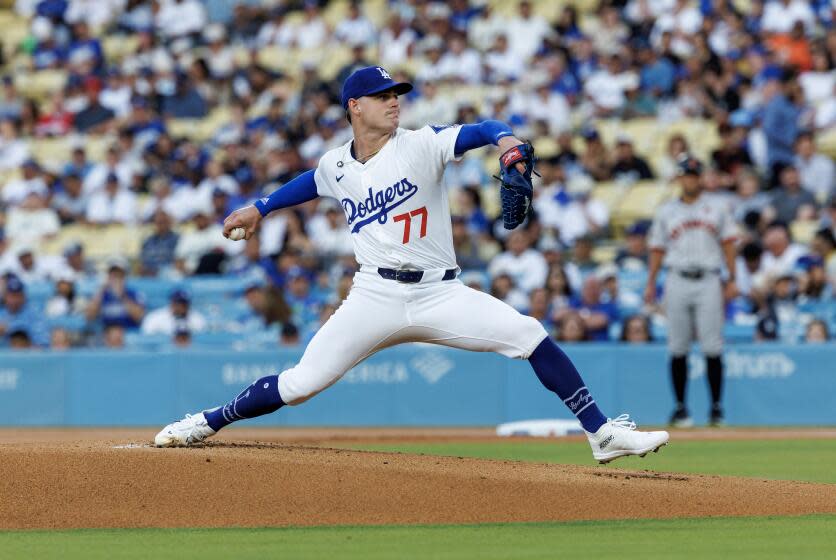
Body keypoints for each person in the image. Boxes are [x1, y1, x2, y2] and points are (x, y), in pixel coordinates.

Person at [155, 65, 668, 463]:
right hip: (374, 296)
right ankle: (207, 421)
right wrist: (261, 207)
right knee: (300, 385)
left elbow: (481, 129)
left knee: (529, 333)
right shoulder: (336, 163)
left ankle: (601, 433)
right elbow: (311, 182)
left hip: (441, 293)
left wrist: (507, 140)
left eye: (396, 93)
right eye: (382, 96)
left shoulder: (421, 145)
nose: (394, 101)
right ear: (355, 107)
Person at [645, 155, 738, 428]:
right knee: (677, 346)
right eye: (686, 174)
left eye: (694, 175)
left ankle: (716, 409)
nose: (690, 179)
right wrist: (650, 282)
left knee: (712, 345)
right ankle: (680, 407)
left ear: (700, 178)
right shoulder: (666, 211)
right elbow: (657, 248)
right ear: (679, 178)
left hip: (709, 278)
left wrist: (732, 277)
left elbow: (729, 243)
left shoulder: (717, 207)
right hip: (677, 278)